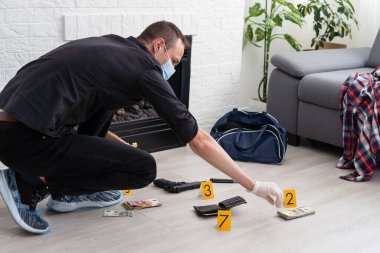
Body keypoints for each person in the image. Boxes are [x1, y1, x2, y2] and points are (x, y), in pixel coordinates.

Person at [0, 21, 283, 234]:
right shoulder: (144, 69)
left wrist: (110, 147)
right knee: (144, 168)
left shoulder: (112, 46)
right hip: (25, 140)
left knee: (108, 102)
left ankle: (66, 192)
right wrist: (254, 185)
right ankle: (31, 183)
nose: (172, 69)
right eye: (173, 60)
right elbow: (198, 139)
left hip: (12, 127)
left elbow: (77, 116)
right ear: (158, 45)